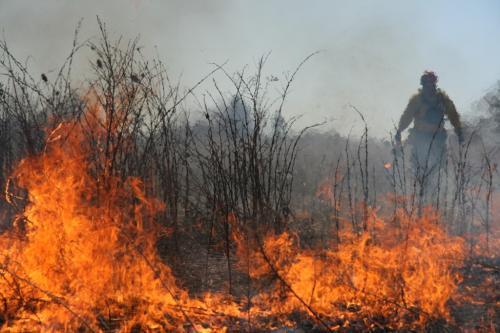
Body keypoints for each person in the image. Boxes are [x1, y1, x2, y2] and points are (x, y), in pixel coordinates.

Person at [395, 71, 463, 174]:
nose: (429, 86)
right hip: (420, 137)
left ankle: (437, 185)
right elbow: (407, 116)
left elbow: (453, 115)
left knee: (440, 166)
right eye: (427, 84)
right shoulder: (417, 100)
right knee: (419, 165)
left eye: (432, 83)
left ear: (435, 84)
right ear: (423, 85)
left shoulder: (443, 100)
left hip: (438, 137)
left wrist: (458, 129)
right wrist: (400, 130)